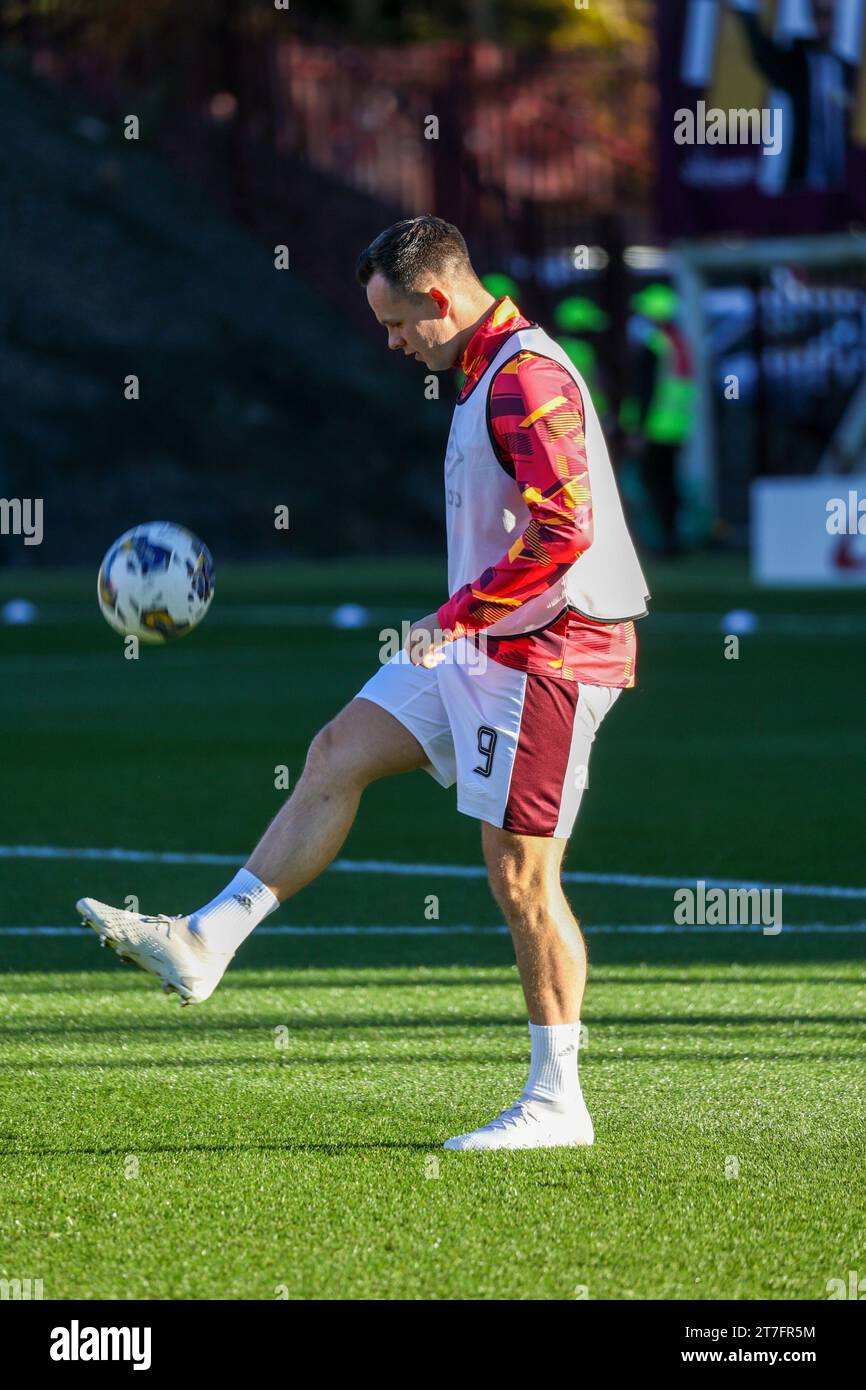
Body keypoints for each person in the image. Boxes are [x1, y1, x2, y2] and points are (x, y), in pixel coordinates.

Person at [77, 216, 650, 1152]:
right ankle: (204, 944)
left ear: (439, 298)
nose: (389, 343)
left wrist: (455, 619)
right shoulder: (482, 369)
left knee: (522, 881)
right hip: (488, 643)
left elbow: (568, 531)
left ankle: (558, 1103)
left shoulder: (527, 376)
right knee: (337, 750)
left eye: (395, 324)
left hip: (553, 654)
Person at [622, 283, 695, 556]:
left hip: (655, 427)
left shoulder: (654, 344)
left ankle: (663, 541)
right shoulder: (677, 342)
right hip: (676, 426)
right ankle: (673, 539)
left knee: (655, 485)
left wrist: (637, 427)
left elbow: (645, 389)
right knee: (670, 485)